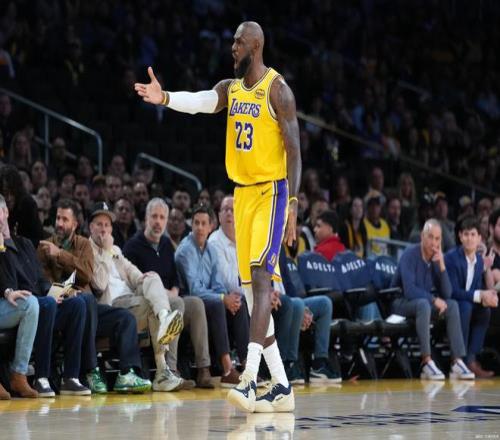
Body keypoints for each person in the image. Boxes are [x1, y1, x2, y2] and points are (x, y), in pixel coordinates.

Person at [136, 21, 301, 412]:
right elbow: (201, 101)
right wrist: (165, 98)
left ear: (255, 46)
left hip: (272, 192)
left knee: (261, 281)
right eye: (233, 42)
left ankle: (249, 378)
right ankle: (281, 385)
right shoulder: (232, 88)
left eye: (238, 42)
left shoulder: (277, 90)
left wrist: (293, 205)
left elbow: (294, 152)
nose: (232, 47)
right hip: (242, 194)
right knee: (252, 294)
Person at [89, 202, 184, 392]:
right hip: (113, 306)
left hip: (131, 297)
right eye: (99, 225)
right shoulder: (88, 249)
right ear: (91, 227)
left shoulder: (115, 250)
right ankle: (162, 371)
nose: (104, 230)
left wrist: (143, 278)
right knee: (149, 305)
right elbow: (99, 285)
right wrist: (106, 252)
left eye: (107, 225)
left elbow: (130, 270)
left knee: (152, 277)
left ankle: (164, 317)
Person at [123, 198, 214, 388]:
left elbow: (175, 280)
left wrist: (173, 291)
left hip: (169, 298)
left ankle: (203, 369)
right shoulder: (132, 246)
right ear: (146, 219)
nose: (158, 222)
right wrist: (168, 295)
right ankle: (171, 371)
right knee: (177, 303)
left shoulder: (166, 244)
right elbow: (135, 284)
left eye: (162, 217)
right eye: (154, 216)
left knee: (196, 303)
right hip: (147, 303)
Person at [175, 205, 249, 387]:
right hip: (188, 303)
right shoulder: (186, 250)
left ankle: (248, 366)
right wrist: (222, 299)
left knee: (239, 302)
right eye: (196, 223)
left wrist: (228, 298)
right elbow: (194, 290)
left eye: (203, 224)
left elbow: (217, 284)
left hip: (207, 301)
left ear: (210, 227)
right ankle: (227, 369)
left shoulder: (211, 250)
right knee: (218, 304)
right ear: (191, 225)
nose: (199, 228)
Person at [391, 219, 475, 380]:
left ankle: (456, 362)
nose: (434, 243)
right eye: (430, 237)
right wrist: (433, 299)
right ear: (422, 236)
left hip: (421, 304)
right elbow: (409, 290)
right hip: (399, 302)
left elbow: (447, 294)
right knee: (424, 304)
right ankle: (426, 361)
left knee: (452, 305)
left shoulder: (436, 259)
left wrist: (441, 265)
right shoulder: (409, 254)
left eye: (437, 239)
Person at [445, 216, 497, 378]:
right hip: (449, 303)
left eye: (473, 234)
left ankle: (471, 360)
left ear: (479, 238)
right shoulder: (451, 258)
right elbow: (452, 292)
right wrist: (480, 295)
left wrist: (488, 297)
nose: (469, 238)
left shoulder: (480, 262)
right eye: (466, 234)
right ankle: (457, 360)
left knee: (484, 311)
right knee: (466, 307)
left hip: (466, 302)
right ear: (460, 236)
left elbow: (476, 290)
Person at [0, 199, 39, 399]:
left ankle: (19, 373)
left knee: (31, 304)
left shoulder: (7, 244)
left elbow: (7, 279)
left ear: (6, 212)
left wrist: (1, 247)